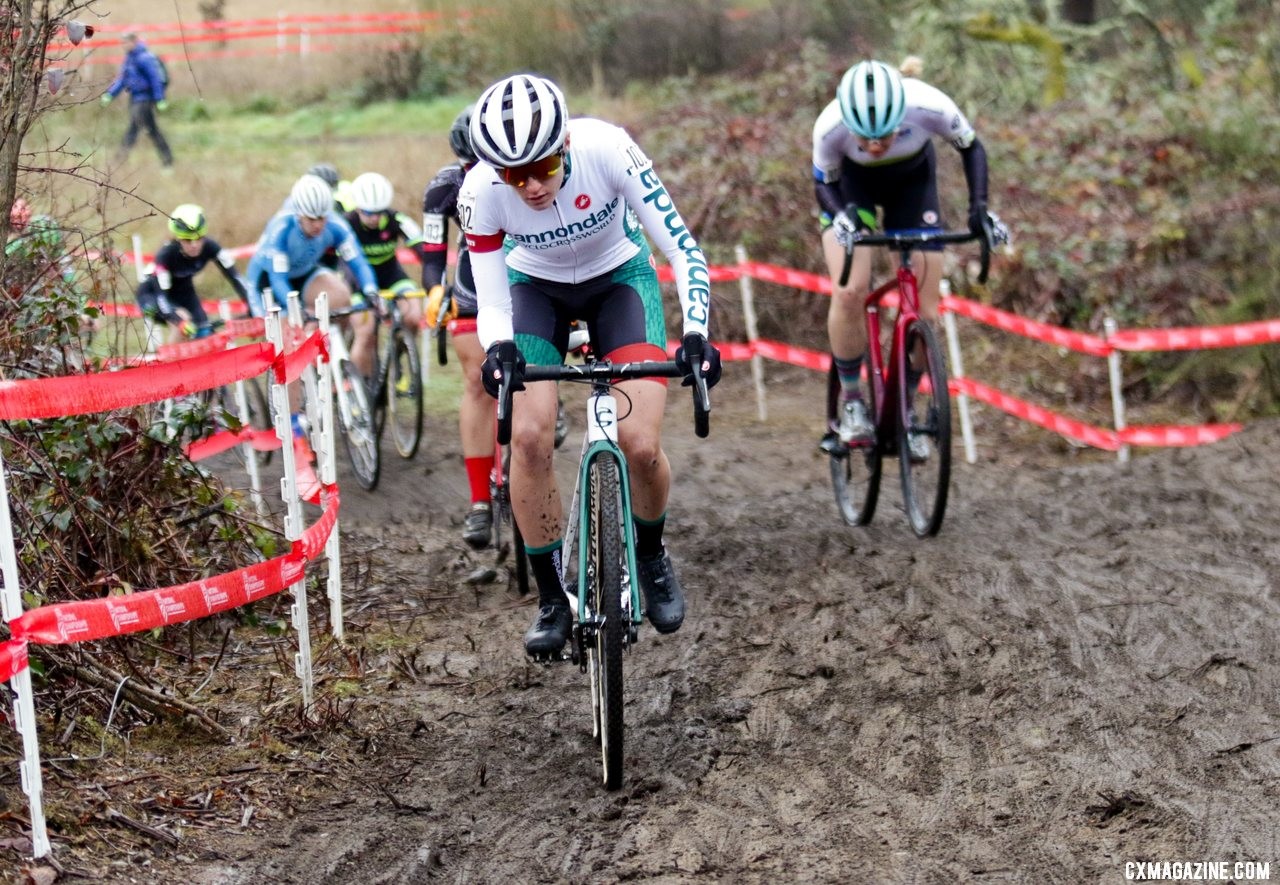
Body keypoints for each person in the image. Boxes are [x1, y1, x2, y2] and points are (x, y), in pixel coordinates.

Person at [460, 74, 721, 658]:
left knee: (641, 445)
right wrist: (500, 347)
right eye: (512, 174)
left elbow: (681, 248)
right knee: (527, 438)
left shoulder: (609, 148)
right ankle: (554, 596)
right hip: (534, 290)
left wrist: (697, 331)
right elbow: (494, 298)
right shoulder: (479, 192)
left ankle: (651, 555)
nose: (528, 186)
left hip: (619, 281)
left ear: (567, 147)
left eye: (543, 168)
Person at [813, 57, 996, 452]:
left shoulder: (930, 105)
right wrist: (843, 218)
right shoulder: (830, 126)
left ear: (903, 117)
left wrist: (978, 207)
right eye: (866, 139)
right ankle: (852, 403)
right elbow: (823, 183)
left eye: (886, 136)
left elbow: (971, 147)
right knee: (849, 290)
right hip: (852, 194)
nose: (876, 147)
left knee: (926, 312)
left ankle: (907, 408)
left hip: (912, 188)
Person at [419, 104, 500, 549]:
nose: (480, 174)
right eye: (471, 165)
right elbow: (433, 253)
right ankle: (479, 503)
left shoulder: (522, 177)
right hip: (471, 281)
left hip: (524, 273)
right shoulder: (443, 188)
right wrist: (434, 290)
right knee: (475, 381)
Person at [245, 174, 380, 378]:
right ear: (299, 214)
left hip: (303, 273)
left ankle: (330, 357)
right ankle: (293, 409)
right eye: (311, 219)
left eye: (322, 218)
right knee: (288, 348)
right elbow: (278, 279)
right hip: (268, 283)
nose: (318, 224)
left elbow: (358, 261)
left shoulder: (336, 225)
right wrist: (297, 309)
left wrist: (370, 289)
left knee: (341, 296)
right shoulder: (282, 228)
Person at [134, 204, 255, 343]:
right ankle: (172, 363)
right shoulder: (166, 256)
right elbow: (163, 299)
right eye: (187, 240)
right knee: (182, 321)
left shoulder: (211, 247)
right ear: (178, 238)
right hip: (153, 296)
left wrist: (251, 303)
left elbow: (235, 276)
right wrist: (179, 321)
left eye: (199, 238)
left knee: (205, 333)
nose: (194, 245)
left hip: (183, 291)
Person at [344, 171, 427, 325]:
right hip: (356, 282)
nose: (374, 218)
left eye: (379, 212)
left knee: (413, 316)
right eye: (368, 213)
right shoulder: (345, 224)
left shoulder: (396, 219)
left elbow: (423, 248)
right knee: (366, 332)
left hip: (391, 276)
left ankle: (402, 345)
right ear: (358, 208)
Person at [101, 31, 172, 168]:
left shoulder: (144, 58)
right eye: (122, 42)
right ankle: (167, 160)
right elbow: (122, 80)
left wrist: (160, 99)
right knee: (152, 130)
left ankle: (118, 161)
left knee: (134, 128)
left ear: (134, 42)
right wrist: (110, 94)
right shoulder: (129, 59)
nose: (123, 45)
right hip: (135, 98)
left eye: (126, 42)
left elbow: (155, 79)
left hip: (144, 99)